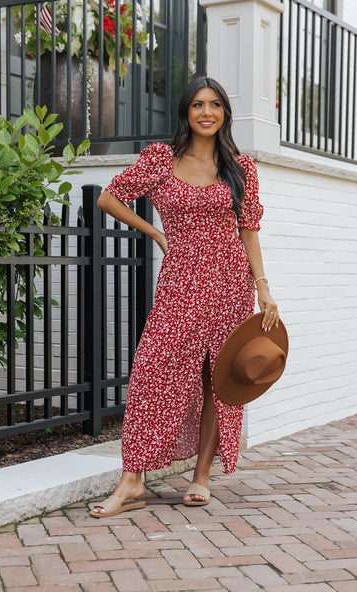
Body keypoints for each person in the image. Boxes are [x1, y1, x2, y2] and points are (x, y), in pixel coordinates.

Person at [90, 76, 279, 517]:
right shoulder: (161, 159)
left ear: (225, 113)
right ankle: (131, 481)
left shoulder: (241, 168)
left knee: (218, 378)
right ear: (186, 112)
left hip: (230, 282)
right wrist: (157, 233)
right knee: (152, 371)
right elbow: (109, 197)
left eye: (215, 105)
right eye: (198, 105)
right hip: (180, 281)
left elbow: (249, 230)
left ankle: (202, 475)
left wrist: (263, 288)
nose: (207, 112)